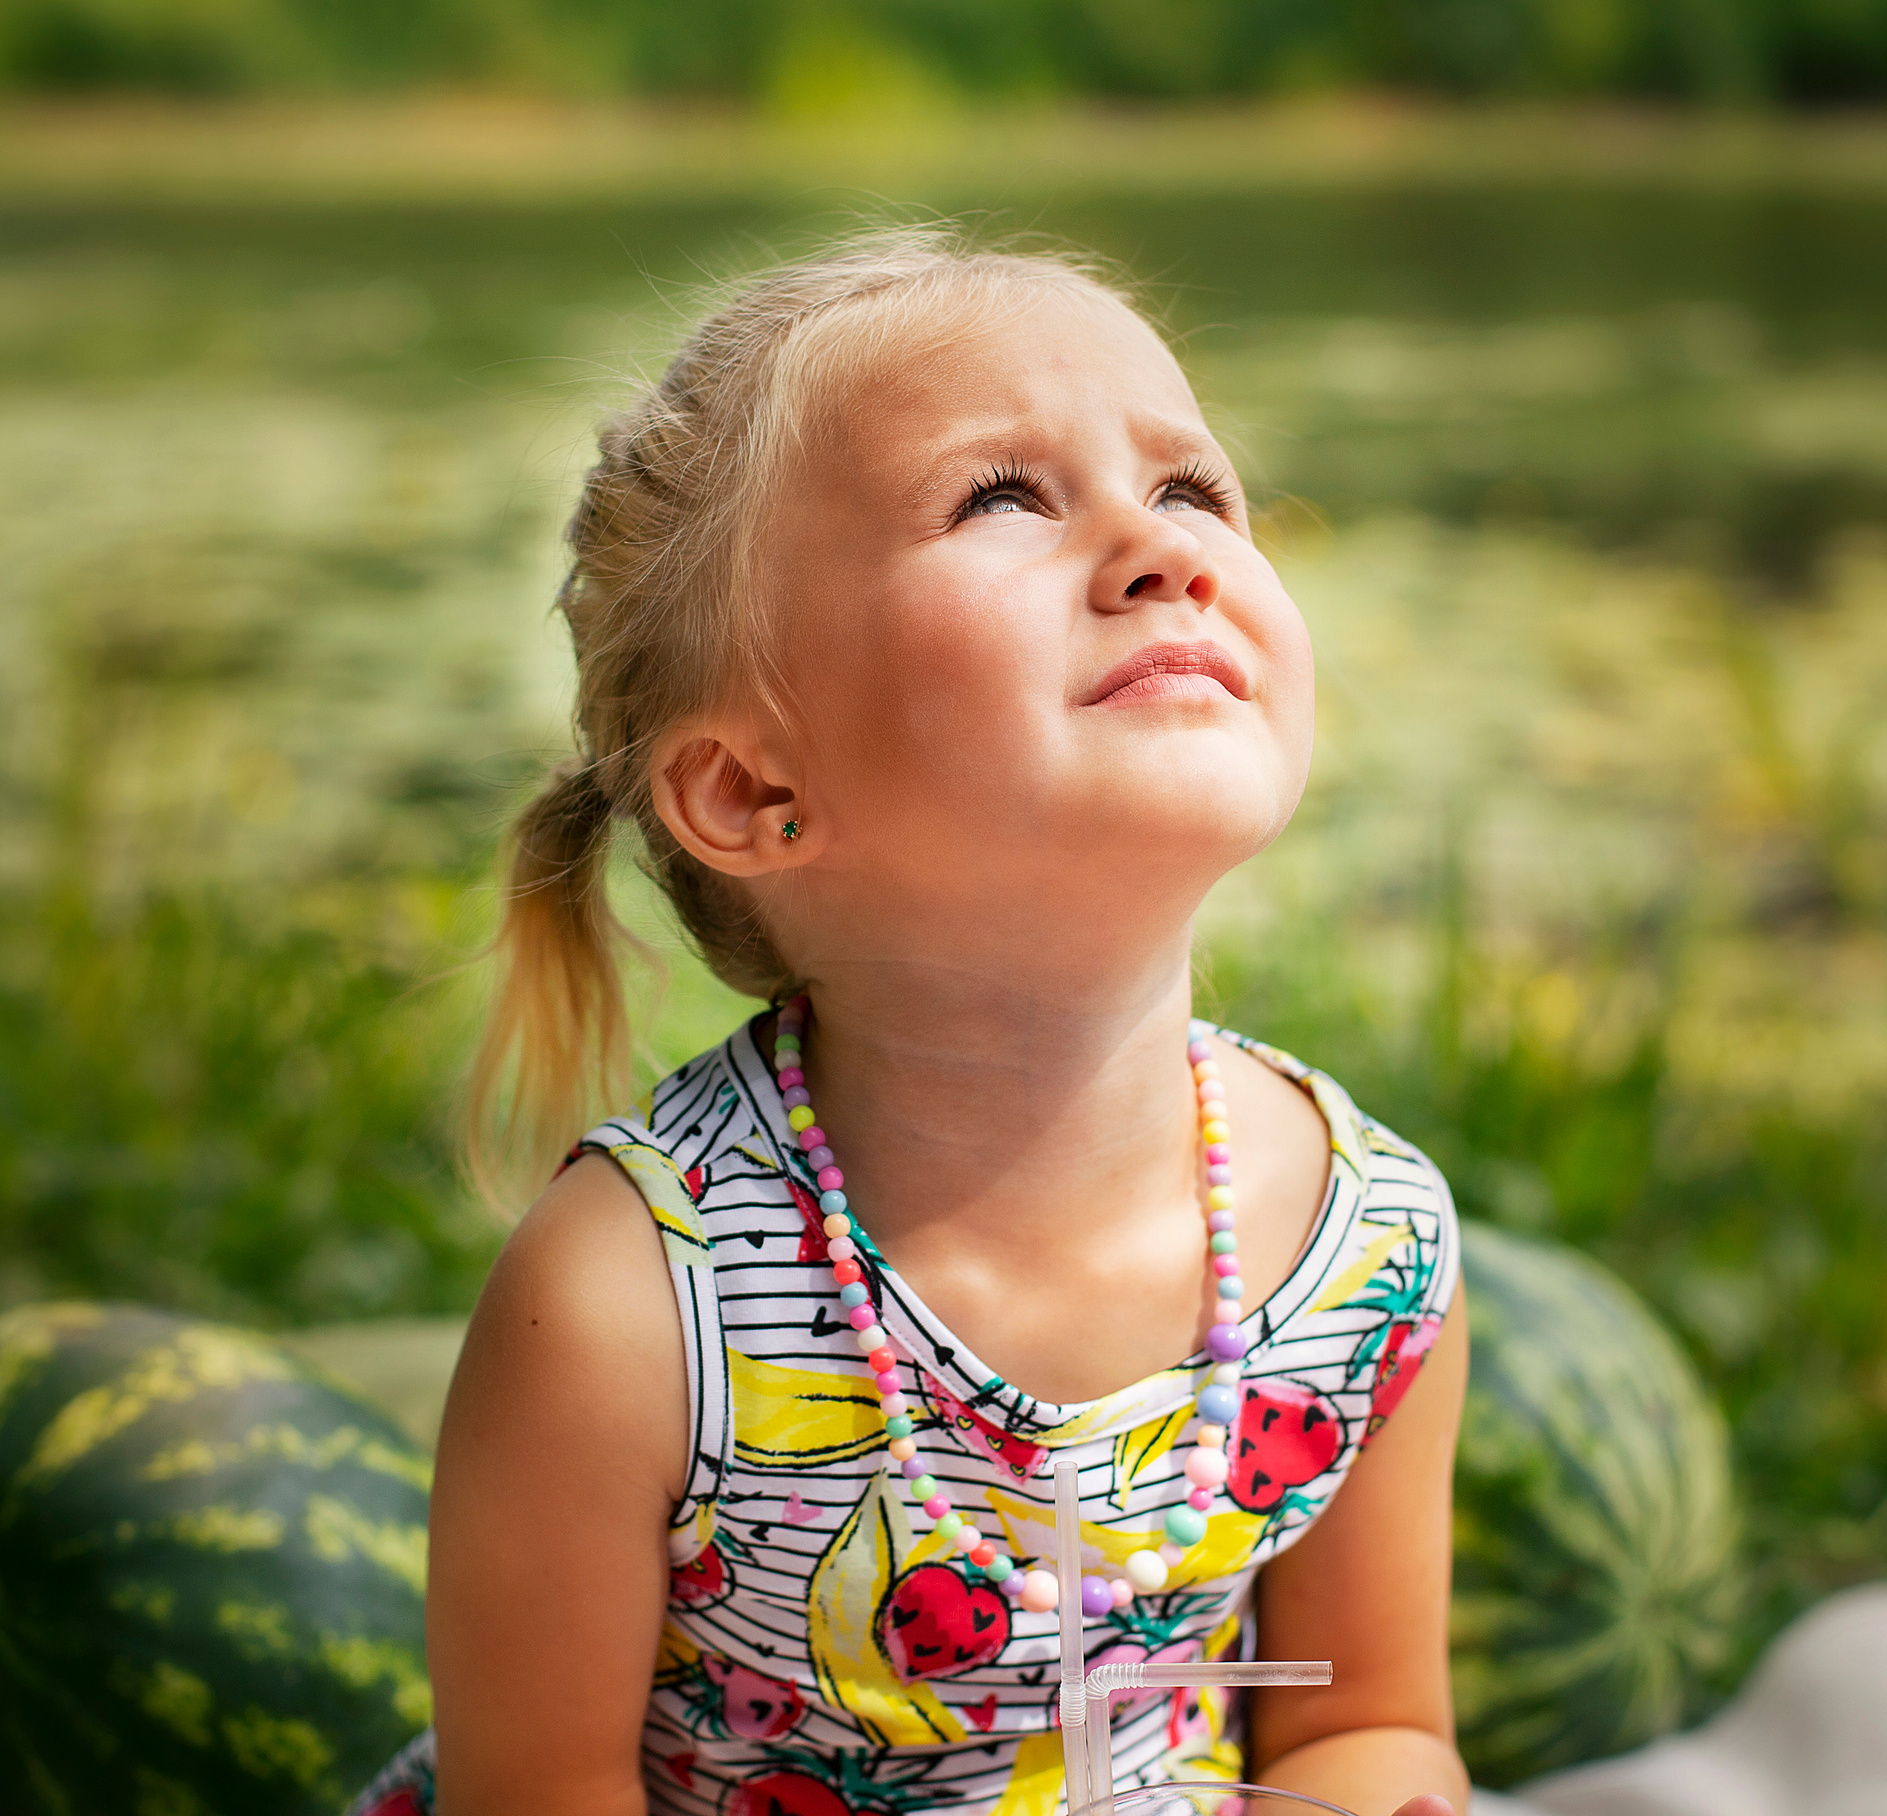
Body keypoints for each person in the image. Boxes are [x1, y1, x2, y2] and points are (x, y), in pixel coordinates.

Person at [346, 230, 1468, 1816]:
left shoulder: (1369, 1249)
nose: (1165, 550)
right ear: (751, 788)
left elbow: (1364, 1734)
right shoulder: (628, 1312)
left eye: (1194, 488)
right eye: (1003, 496)